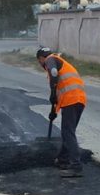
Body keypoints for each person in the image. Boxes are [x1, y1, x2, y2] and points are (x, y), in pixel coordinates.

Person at [36, 47, 87, 178]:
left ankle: (76, 166)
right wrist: (54, 111)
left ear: (41, 58)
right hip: (78, 100)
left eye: (39, 62)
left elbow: (53, 73)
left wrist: (52, 92)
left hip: (71, 100)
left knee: (67, 132)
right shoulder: (60, 61)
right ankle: (63, 160)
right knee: (68, 132)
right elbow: (61, 89)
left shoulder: (50, 60)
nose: (41, 65)